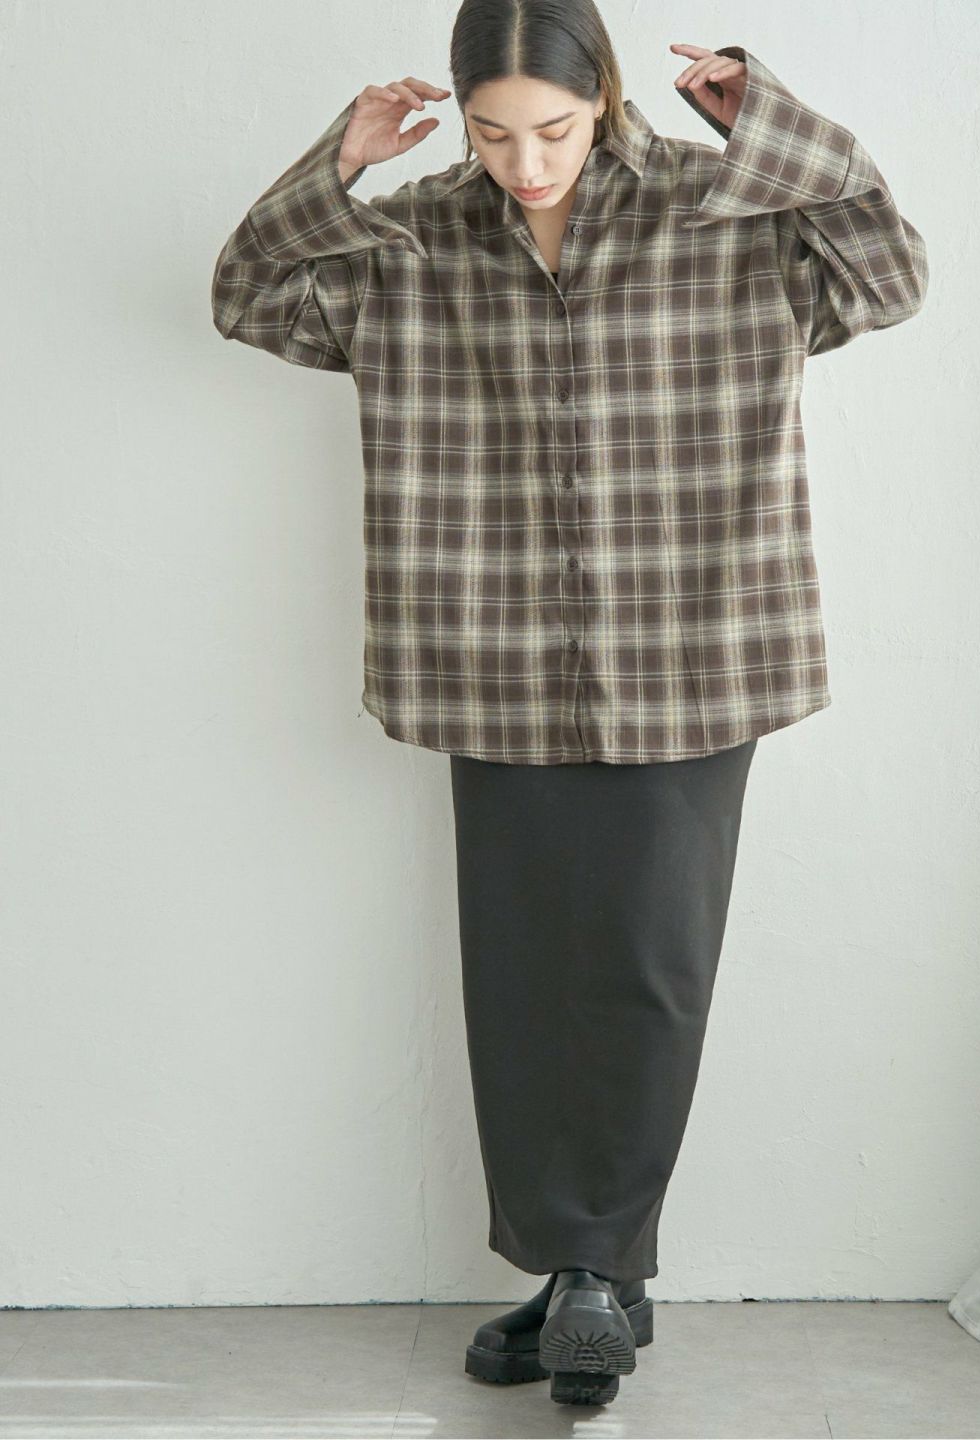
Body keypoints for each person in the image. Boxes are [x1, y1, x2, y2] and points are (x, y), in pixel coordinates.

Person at [211, 0, 928, 1410]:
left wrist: (765, 122)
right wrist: (338, 163)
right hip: (491, 654)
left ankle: (590, 1267)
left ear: (601, 95)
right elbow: (247, 297)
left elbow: (890, 276)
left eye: (550, 128)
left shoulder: (724, 211)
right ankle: (586, 1275)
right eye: (492, 134)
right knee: (525, 976)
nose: (525, 163)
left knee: (650, 966)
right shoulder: (414, 239)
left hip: (693, 647)